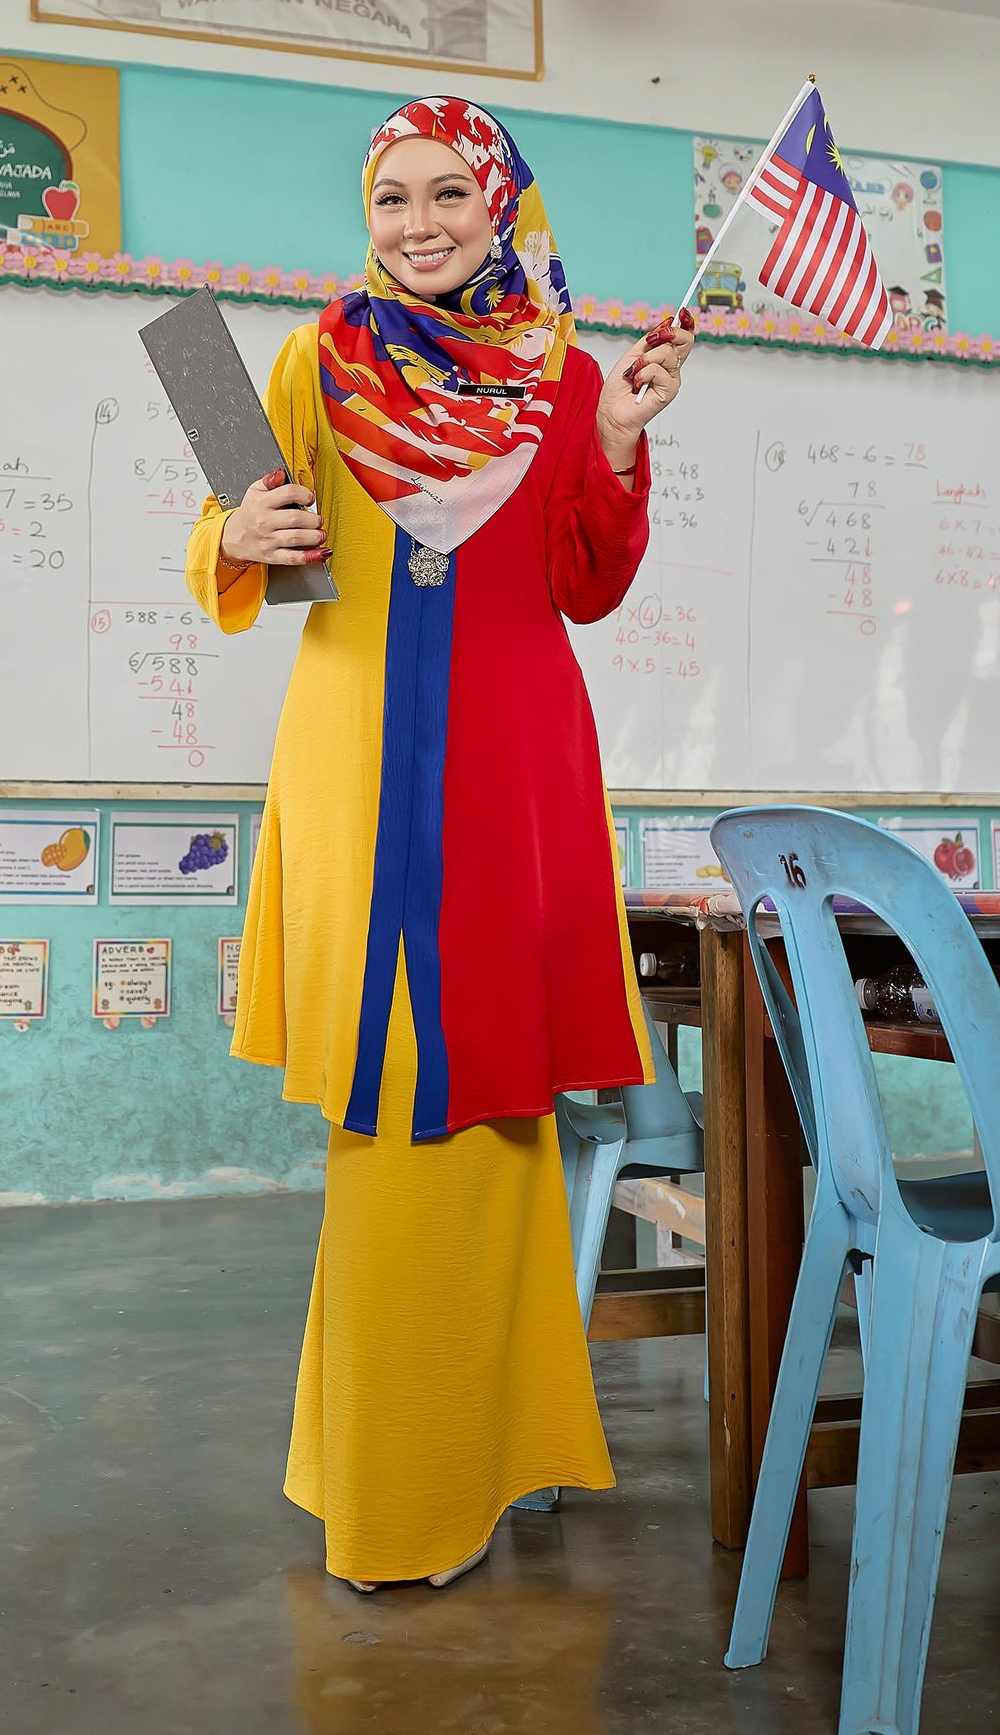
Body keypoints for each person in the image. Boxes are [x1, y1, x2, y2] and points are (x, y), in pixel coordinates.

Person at [185, 94, 695, 1593]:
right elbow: (236, 533)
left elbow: (587, 584)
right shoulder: (308, 355)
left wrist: (612, 438)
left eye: (446, 196)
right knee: (394, 1098)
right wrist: (237, 538)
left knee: (499, 1106)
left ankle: (498, 1450)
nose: (417, 224)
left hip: (519, 763)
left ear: (501, 205)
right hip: (355, 762)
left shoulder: (565, 370)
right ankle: (394, 1485)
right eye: (390, 198)